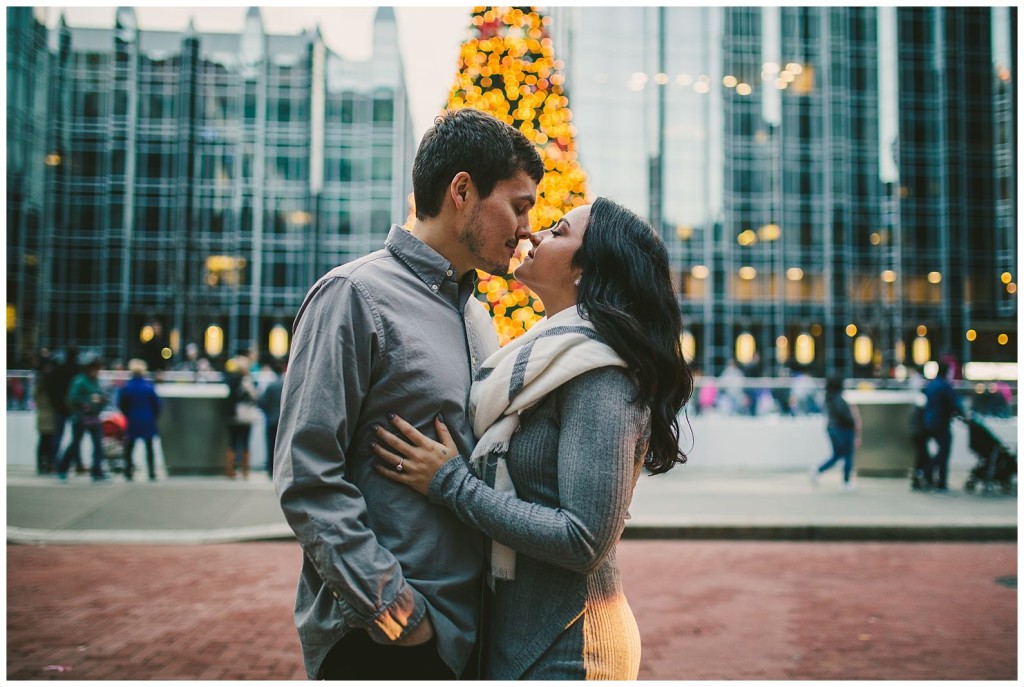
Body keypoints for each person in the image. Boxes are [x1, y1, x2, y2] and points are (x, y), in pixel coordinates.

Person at [371, 197, 694, 679]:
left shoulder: (602, 376)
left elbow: (584, 540)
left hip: (571, 646)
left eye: (559, 232)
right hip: (518, 637)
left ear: (588, 270)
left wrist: (450, 483)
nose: (534, 235)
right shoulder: (537, 358)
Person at [273, 107, 544, 681]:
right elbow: (306, 472)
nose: (527, 229)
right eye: (519, 207)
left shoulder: (478, 317)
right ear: (463, 191)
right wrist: (393, 608)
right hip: (386, 645)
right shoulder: (352, 295)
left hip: (466, 642)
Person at [56, 357, 108, 482]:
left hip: (93, 416)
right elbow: (73, 398)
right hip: (81, 417)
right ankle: (63, 468)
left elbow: (98, 397)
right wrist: (89, 400)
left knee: (97, 445)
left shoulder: (93, 381)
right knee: (75, 444)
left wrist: (100, 401)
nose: (98, 372)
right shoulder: (80, 380)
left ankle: (97, 470)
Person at [810, 376, 861, 491]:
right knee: (847, 455)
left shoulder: (828, 398)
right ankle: (846, 482)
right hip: (843, 429)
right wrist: (853, 423)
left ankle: (818, 470)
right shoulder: (839, 399)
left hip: (832, 428)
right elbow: (846, 417)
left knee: (837, 455)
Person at [922, 360, 965, 493]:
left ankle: (927, 472)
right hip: (941, 423)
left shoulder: (931, 385)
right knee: (944, 452)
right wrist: (963, 415)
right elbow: (955, 404)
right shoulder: (944, 386)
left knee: (940, 451)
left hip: (929, 422)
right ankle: (939, 481)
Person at [117, 359, 162, 481]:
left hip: (132, 418)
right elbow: (157, 404)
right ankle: (151, 472)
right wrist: (154, 415)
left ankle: (128, 471)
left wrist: (126, 414)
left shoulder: (127, 387)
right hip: (148, 418)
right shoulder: (148, 386)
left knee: (130, 446)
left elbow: (121, 404)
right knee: (149, 446)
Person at [47, 344, 84, 473]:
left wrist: (55, 403)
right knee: (76, 438)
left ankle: (55, 463)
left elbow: (50, 387)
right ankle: (77, 462)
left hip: (60, 407)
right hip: (74, 408)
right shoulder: (78, 371)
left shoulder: (58, 370)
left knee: (58, 436)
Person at [224, 355, 259, 479]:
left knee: (232, 442)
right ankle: (245, 470)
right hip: (245, 416)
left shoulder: (230, 380)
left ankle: (230, 469)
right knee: (245, 442)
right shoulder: (248, 380)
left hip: (232, 416)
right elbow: (254, 397)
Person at [257, 361, 284, 476]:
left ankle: (270, 469)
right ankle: (281, 468)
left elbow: (262, 402)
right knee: (282, 446)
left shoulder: (270, 386)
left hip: (271, 420)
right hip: (283, 421)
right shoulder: (285, 385)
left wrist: (267, 412)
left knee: (270, 445)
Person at [33, 355, 58, 474]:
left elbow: (35, 397)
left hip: (42, 415)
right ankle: (48, 464)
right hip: (49, 414)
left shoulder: (39, 385)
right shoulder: (49, 385)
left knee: (43, 441)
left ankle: (41, 464)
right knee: (48, 442)